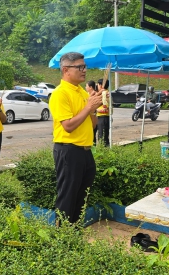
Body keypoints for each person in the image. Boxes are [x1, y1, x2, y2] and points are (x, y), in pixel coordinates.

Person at [49, 52, 102, 224]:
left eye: (84, 66)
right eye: (79, 67)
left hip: (85, 151)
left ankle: (74, 234)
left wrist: (94, 107)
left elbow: (92, 125)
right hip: (68, 150)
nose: (84, 70)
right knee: (67, 197)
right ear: (66, 70)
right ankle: (62, 238)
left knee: (81, 198)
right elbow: (68, 126)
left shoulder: (82, 92)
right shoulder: (60, 93)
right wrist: (88, 107)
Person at [96, 79, 111, 147]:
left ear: (101, 85)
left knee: (102, 136)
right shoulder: (103, 93)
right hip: (101, 117)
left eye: (98, 84)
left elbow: (106, 109)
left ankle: (104, 150)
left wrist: (96, 110)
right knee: (102, 135)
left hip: (103, 117)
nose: (97, 86)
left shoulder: (105, 94)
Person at [85, 80, 98, 145]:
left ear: (90, 87)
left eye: (86, 86)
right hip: (87, 118)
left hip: (94, 117)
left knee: (93, 136)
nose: (85, 87)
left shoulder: (95, 95)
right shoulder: (86, 94)